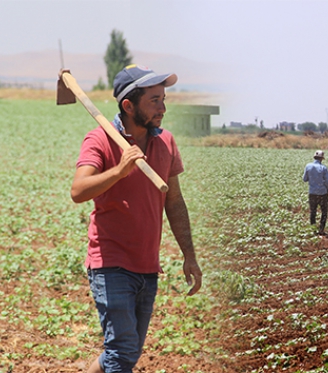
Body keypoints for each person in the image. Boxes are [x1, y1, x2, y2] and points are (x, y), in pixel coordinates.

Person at [70, 65, 202, 373]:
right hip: (110, 261)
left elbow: (175, 201)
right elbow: (78, 190)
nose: (163, 108)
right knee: (122, 352)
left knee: (124, 352)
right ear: (128, 106)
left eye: (163, 99)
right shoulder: (101, 140)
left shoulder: (166, 142)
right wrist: (119, 170)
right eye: (154, 100)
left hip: (146, 265)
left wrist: (189, 255)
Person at [303, 150, 328, 235]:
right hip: (322, 193)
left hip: (312, 193)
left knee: (313, 211)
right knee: (324, 212)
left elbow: (305, 179)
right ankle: (321, 230)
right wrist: (327, 190)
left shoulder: (308, 166)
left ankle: (313, 230)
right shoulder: (323, 168)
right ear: (322, 159)